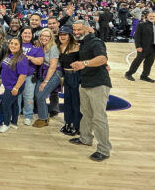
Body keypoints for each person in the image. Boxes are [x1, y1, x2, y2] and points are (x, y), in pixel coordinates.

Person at [70, 20, 112, 162]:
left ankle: (104, 149)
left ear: (87, 29)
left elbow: (102, 58)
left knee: (99, 117)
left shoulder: (95, 41)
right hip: (86, 82)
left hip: (98, 84)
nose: (76, 32)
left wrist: (84, 63)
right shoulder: (83, 43)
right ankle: (85, 138)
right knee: (86, 113)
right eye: (74, 30)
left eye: (79, 30)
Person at [33, 28, 62, 128]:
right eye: (42, 36)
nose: (44, 38)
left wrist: (45, 82)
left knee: (41, 96)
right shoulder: (41, 46)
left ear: (51, 37)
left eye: (47, 36)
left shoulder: (53, 47)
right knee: (37, 94)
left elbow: (53, 66)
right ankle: (44, 116)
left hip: (54, 73)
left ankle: (43, 118)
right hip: (43, 71)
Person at [0, 36, 28, 133]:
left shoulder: (21, 58)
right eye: (11, 43)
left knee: (5, 104)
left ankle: (6, 124)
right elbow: (5, 67)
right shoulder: (9, 54)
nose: (13, 46)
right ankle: (14, 123)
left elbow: (23, 75)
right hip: (8, 85)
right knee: (14, 104)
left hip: (14, 86)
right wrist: (3, 78)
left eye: (16, 44)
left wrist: (16, 88)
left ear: (20, 46)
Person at [125, 11, 155, 82]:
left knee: (149, 62)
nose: (152, 17)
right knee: (137, 61)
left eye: (153, 16)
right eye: (150, 16)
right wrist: (138, 46)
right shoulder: (141, 25)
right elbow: (137, 36)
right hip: (143, 47)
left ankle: (144, 76)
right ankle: (129, 73)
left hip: (153, 47)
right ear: (147, 17)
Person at [57, 26, 81, 135]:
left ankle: (77, 125)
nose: (62, 36)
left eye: (65, 34)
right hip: (66, 76)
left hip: (76, 75)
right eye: (60, 34)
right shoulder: (59, 46)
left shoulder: (77, 46)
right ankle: (67, 123)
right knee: (67, 101)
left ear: (69, 35)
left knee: (76, 102)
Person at [20, 26, 44, 126]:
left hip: (29, 75)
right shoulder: (15, 44)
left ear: (32, 35)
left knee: (28, 96)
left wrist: (29, 58)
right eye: (25, 33)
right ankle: (15, 113)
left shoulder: (36, 47)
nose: (27, 35)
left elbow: (40, 61)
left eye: (29, 33)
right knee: (16, 95)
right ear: (21, 34)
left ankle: (28, 115)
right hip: (15, 75)